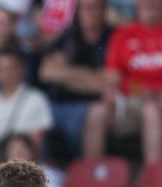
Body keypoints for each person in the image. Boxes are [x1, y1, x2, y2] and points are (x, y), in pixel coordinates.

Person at [83, 0, 162, 165]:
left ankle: (154, 180)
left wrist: (156, 93)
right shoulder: (122, 34)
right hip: (132, 103)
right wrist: (110, 94)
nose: (149, 4)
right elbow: (111, 79)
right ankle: (92, 178)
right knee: (97, 112)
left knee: (151, 110)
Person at [38, 0, 112, 156]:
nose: (88, 13)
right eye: (84, 8)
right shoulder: (70, 35)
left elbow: (104, 84)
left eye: (93, 8)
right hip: (56, 103)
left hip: (89, 105)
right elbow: (47, 71)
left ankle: (90, 174)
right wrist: (85, 75)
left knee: (96, 114)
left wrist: (65, 74)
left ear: (104, 10)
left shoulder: (111, 37)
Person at [0, 45, 52, 168]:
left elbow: (35, 146)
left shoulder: (36, 99)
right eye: (1, 69)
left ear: (21, 69)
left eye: (10, 68)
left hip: (27, 171)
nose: (6, 73)